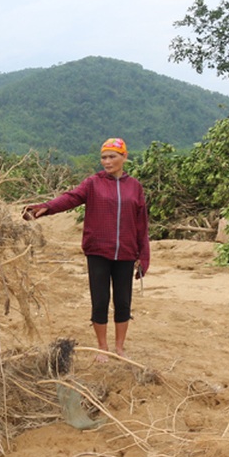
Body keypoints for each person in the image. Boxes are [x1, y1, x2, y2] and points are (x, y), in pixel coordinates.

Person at [23, 137, 150, 361]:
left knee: (123, 302)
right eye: (104, 157)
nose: (107, 161)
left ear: (124, 157)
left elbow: (142, 223)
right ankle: (103, 347)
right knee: (100, 300)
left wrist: (143, 255)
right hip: (98, 251)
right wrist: (46, 208)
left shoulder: (135, 187)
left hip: (126, 253)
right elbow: (70, 198)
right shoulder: (93, 183)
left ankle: (120, 347)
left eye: (112, 156)